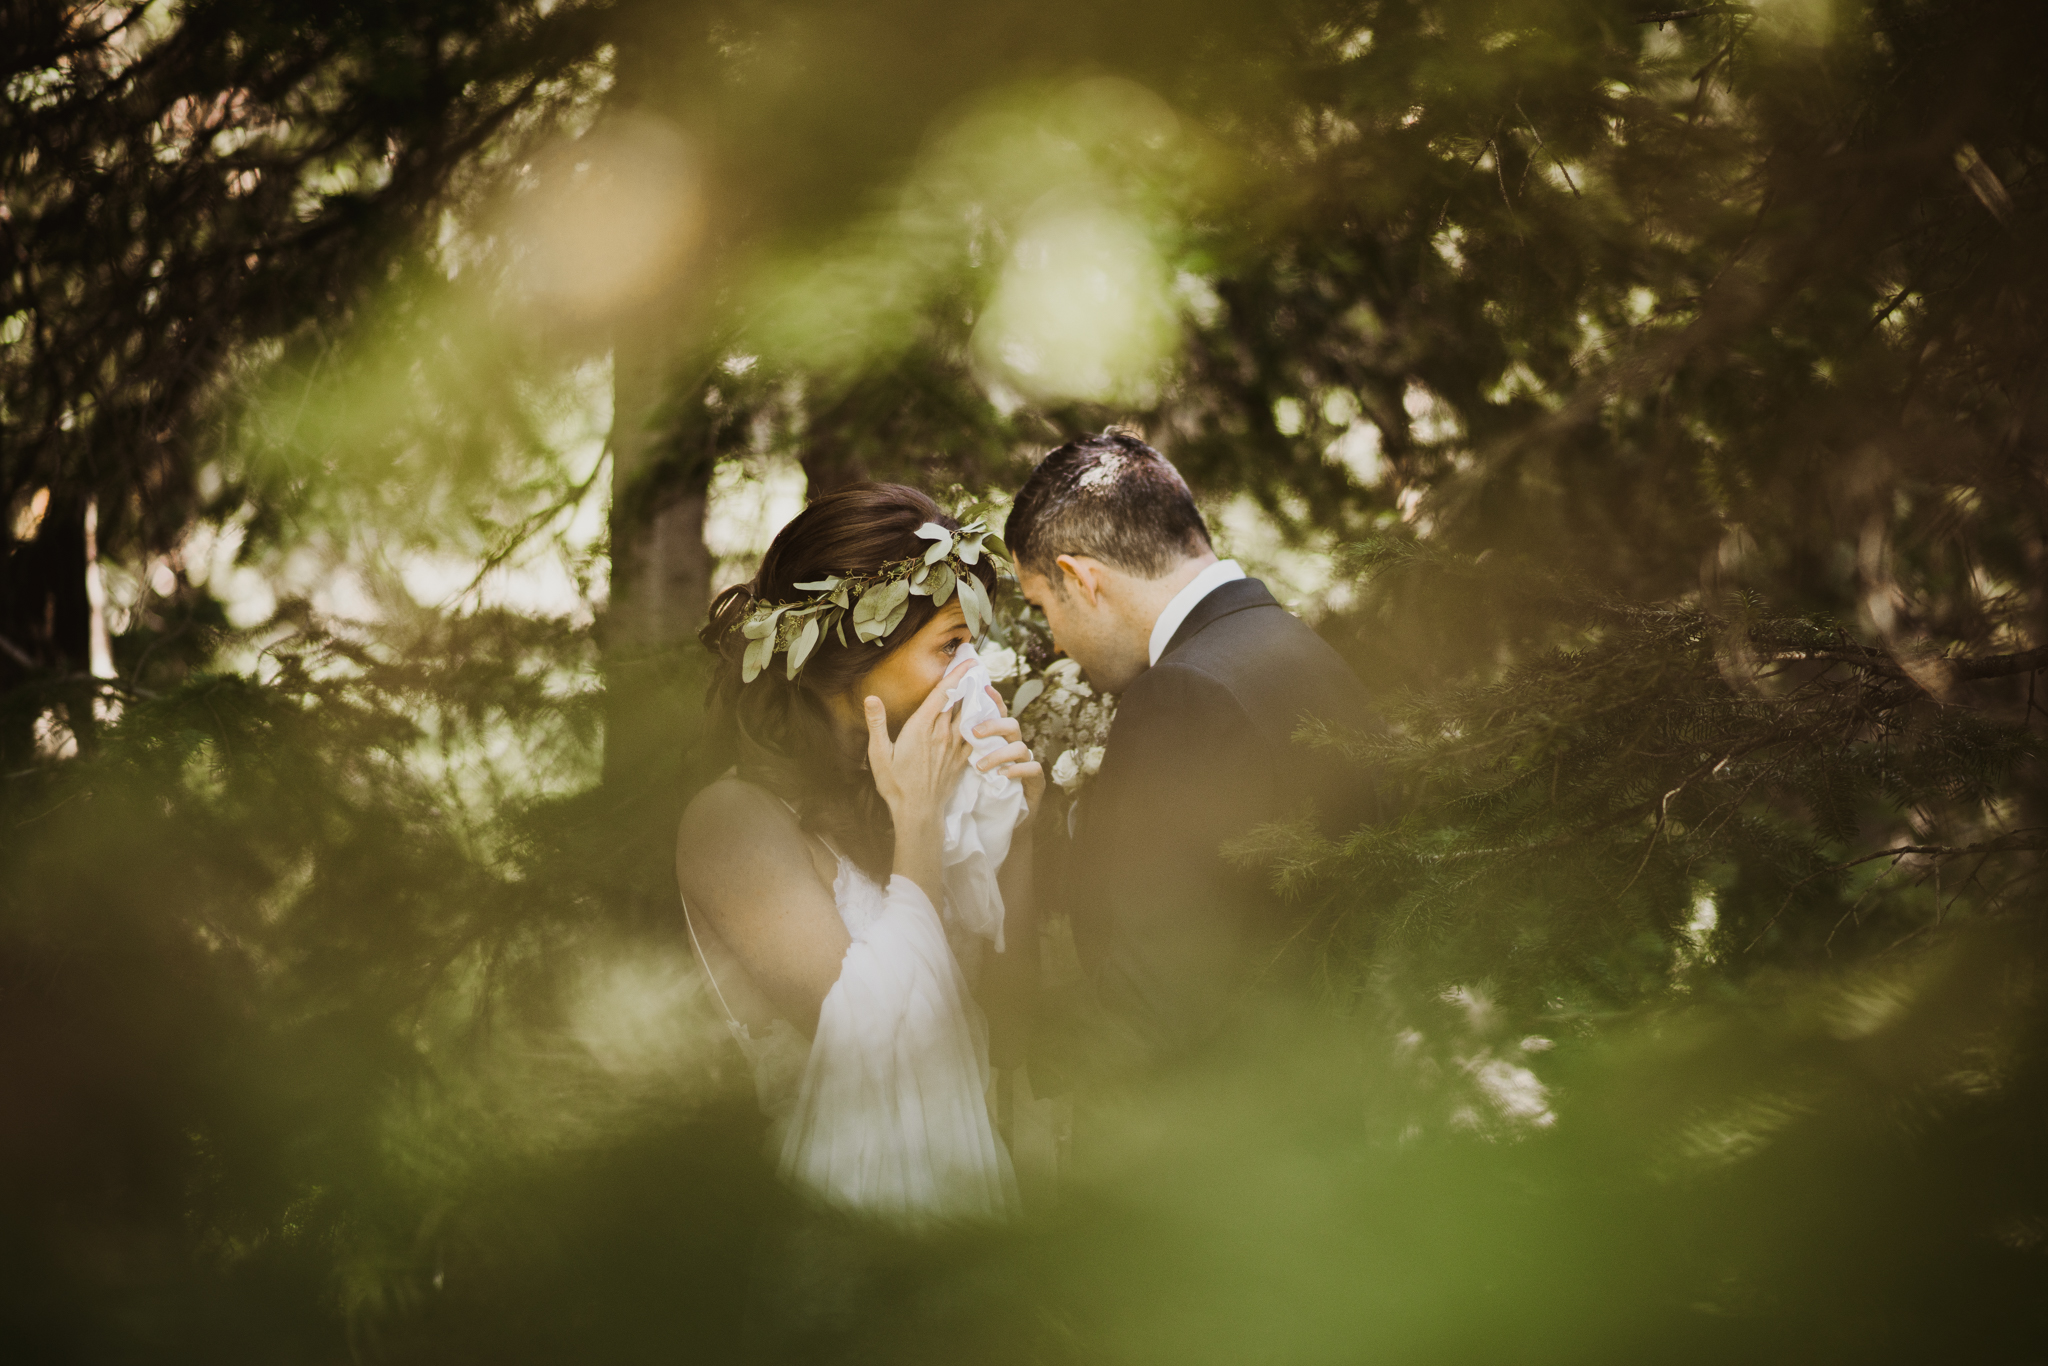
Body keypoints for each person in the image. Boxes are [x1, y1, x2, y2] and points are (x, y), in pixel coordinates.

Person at [678, 483, 1045, 1223]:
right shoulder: (732, 822)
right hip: (836, 1221)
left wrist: (1020, 825)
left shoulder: (896, 798)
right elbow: (880, 1048)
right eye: (951, 645)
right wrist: (920, 822)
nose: (976, 674)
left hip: (967, 1196)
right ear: (852, 659)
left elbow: (1002, 1013)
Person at [1006, 430, 1377, 1055]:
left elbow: (1152, 995)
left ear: (1082, 579)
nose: (1057, 643)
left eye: (1044, 606)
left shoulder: (1180, 696)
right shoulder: (1299, 648)